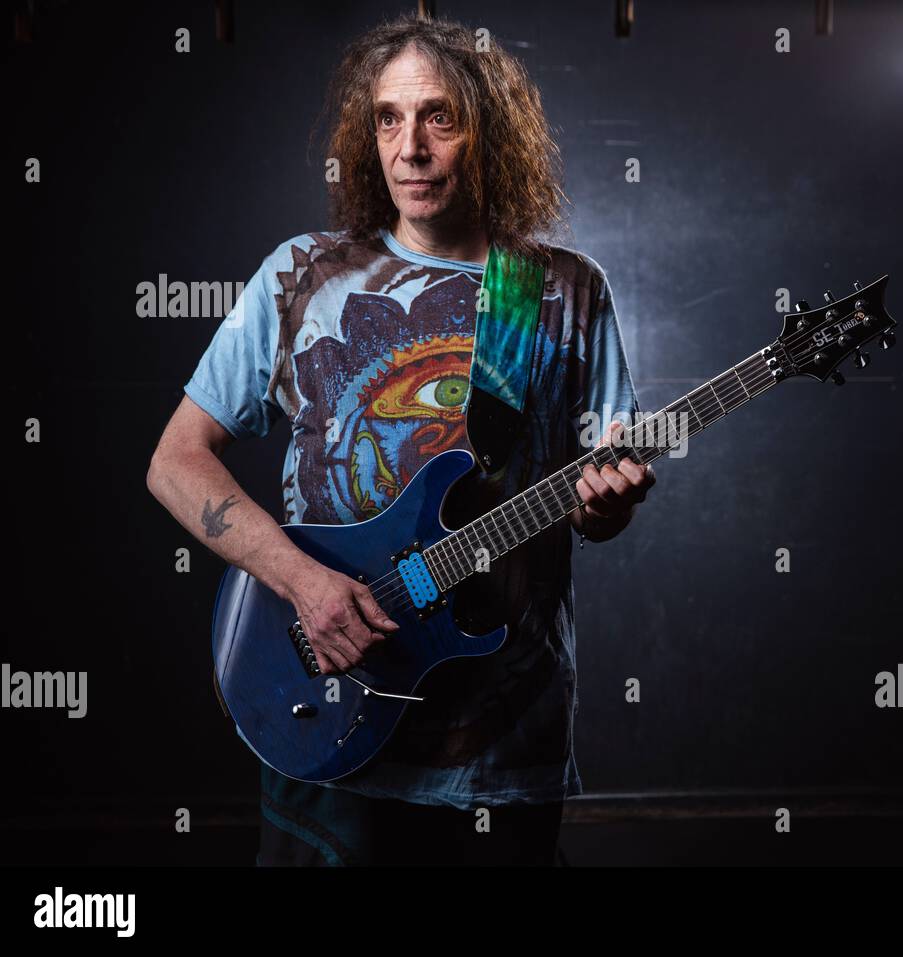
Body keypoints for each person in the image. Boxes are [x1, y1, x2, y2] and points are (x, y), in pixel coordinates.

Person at [146, 11, 653, 866]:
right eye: (388, 118)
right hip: (325, 716)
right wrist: (305, 583)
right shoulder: (300, 276)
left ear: (487, 133)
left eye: (439, 117)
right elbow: (174, 461)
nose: (409, 147)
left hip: (499, 748)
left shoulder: (562, 291)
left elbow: (599, 502)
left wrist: (609, 503)